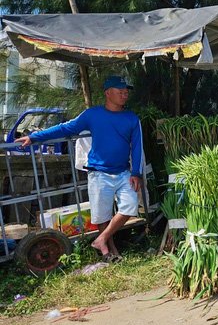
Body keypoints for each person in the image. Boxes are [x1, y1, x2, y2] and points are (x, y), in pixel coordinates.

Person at [15, 76, 143, 261]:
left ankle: (101, 239)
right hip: (98, 173)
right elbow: (65, 128)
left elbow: (137, 146)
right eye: (120, 89)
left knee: (130, 206)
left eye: (126, 90)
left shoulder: (131, 118)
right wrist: (35, 137)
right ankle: (109, 252)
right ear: (108, 93)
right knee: (102, 214)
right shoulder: (92, 115)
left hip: (123, 172)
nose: (125, 93)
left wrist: (136, 173)